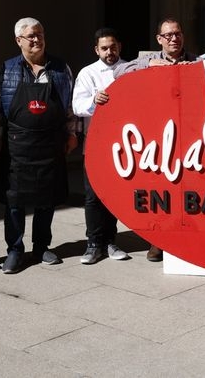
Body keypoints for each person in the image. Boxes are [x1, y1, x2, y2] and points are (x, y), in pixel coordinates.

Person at [0, 17, 79, 274]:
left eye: (40, 34)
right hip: (18, 145)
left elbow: (70, 105)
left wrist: (72, 133)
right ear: (18, 40)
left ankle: (41, 246)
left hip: (50, 143)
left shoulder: (60, 68)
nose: (36, 39)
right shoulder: (8, 69)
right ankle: (15, 250)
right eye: (31, 35)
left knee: (46, 199)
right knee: (15, 201)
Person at [114, 17, 198, 261]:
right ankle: (157, 241)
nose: (174, 38)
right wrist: (150, 64)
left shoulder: (196, 60)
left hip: (190, 134)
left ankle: (186, 239)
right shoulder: (147, 60)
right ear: (159, 39)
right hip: (160, 135)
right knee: (161, 191)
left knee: (189, 189)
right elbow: (120, 71)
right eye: (169, 35)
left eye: (178, 34)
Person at [72, 27, 131, 264]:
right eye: (104, 48)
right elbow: (77, 106)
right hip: (95, 144)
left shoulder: (130, 69)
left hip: (123, 144)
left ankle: (110, 241)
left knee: (113, 195)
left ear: (120, 46)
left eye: (113, 47)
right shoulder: (88, 73)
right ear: (96, 50)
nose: (109, 52)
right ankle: (93, 243)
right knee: (93, 197)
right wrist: (94, 101)